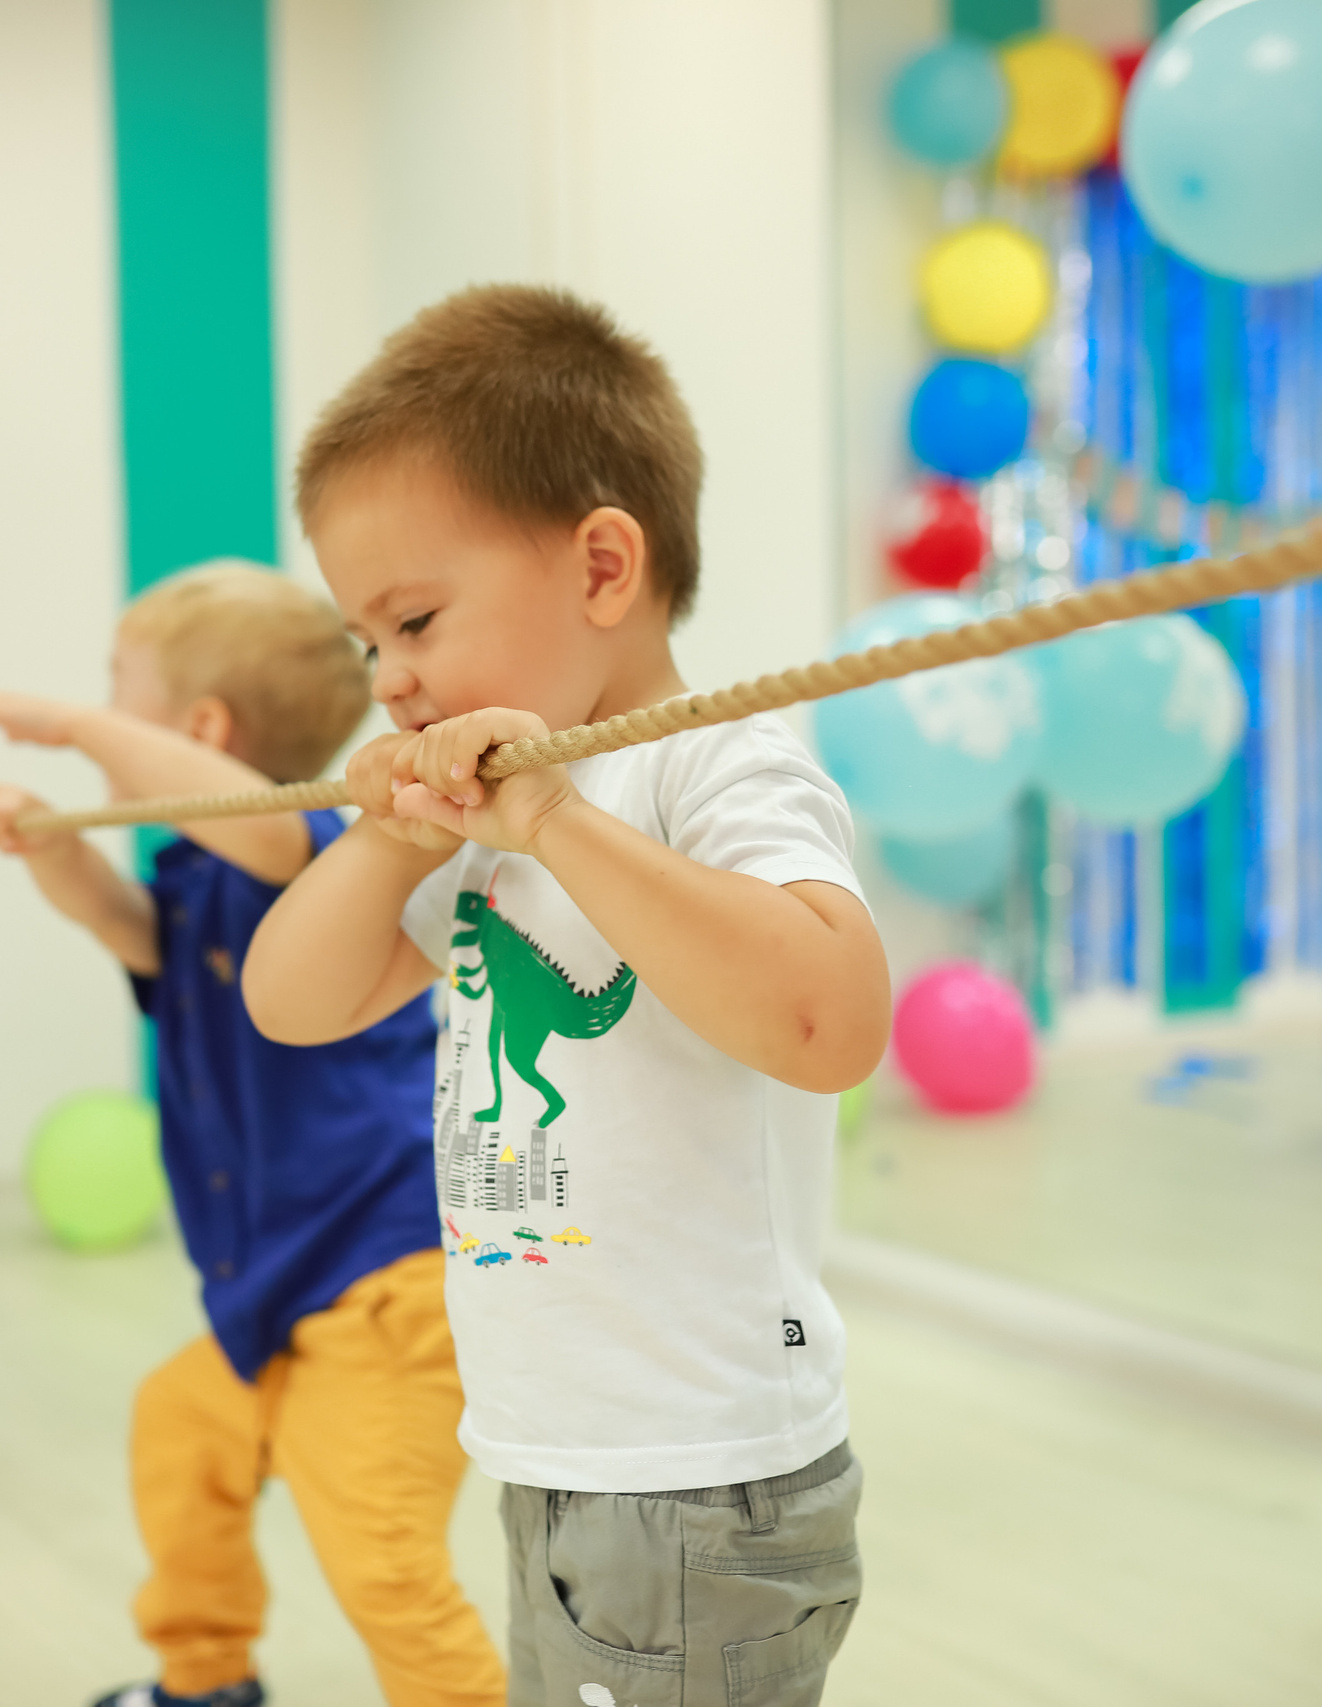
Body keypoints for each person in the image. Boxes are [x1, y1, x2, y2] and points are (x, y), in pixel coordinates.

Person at [241, 286, 892, 1706]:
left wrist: (555, 825)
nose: (392, 678)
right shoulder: (475, 815)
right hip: (557, 1446)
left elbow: (829, 1020)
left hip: (701, 1474)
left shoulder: (709, 765)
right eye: (368, 644)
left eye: (414, 617)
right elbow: (291, 1000)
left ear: (604, 564)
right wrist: (390, 839)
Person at [0, 563, 503, 1707]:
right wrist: (50, 848)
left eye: (115, 695)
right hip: (275, 1290)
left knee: (380, 1561)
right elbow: (126, 930)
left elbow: (267, 842)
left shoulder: (314, 838)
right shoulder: (186, 885)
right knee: (178, 1433)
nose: (99, 718)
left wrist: (70, 729)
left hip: (384, 1290)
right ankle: (205, 1679)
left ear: (201, 729)